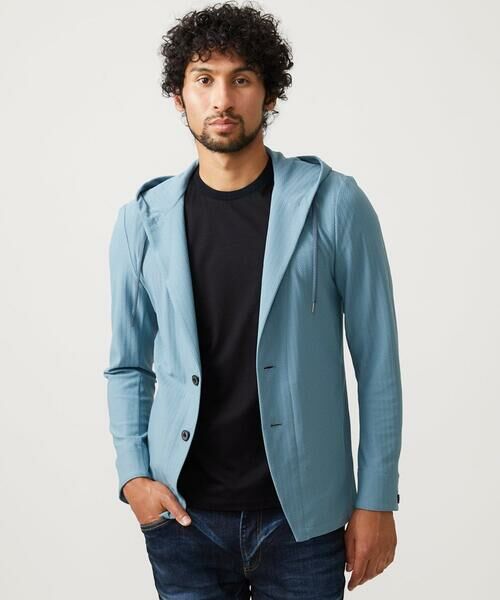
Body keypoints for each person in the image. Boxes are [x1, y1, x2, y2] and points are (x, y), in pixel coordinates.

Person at [103, 2, 403, 598]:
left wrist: (376, 499)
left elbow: (378, 364)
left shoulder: (334, 204)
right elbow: (128, 365)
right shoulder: (142, 220)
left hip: (304, 519)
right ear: (178, 96)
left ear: (269, 94)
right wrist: (133, 476)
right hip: (182, 518)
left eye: (241, 79)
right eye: (204, 79)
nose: (222, 99)